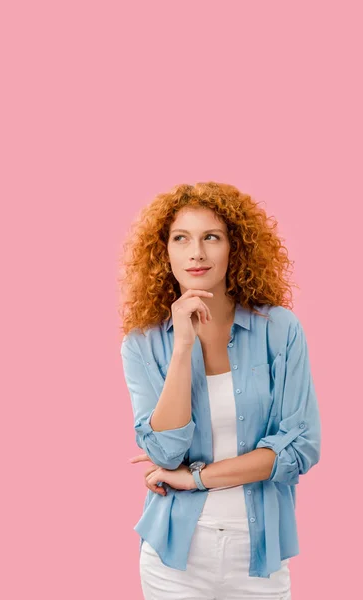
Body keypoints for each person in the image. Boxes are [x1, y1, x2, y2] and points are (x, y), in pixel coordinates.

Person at [118, 181, 321, 600]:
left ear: (234, 248)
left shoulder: (279, 330)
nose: (196, 252)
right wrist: (183, 345)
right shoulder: (143, 343)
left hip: (259, 558)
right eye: (181, 238)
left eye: (211, 236)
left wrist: (196, 479)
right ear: (164, 252)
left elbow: (299, 449)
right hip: (174, 559)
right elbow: (166, 451)